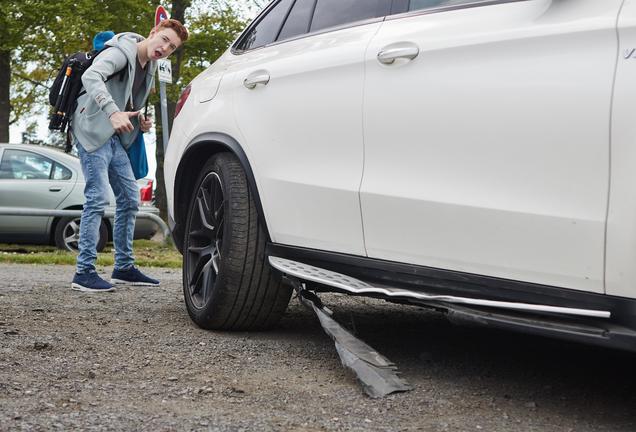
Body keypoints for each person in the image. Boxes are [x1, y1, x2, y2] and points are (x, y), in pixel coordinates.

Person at [71, 19, 188, 292]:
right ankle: (84, 272)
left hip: (114, 138)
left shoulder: (151, 66)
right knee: (97, 198)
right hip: (92, 130)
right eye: (164, 40)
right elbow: (91, 77)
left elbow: (128, 100)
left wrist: (139, 121)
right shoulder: (120, 53)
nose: (165, 48)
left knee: (129, 199)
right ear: (153, 33)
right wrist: (113, 112)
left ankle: (123, 267)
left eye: (171, 47)